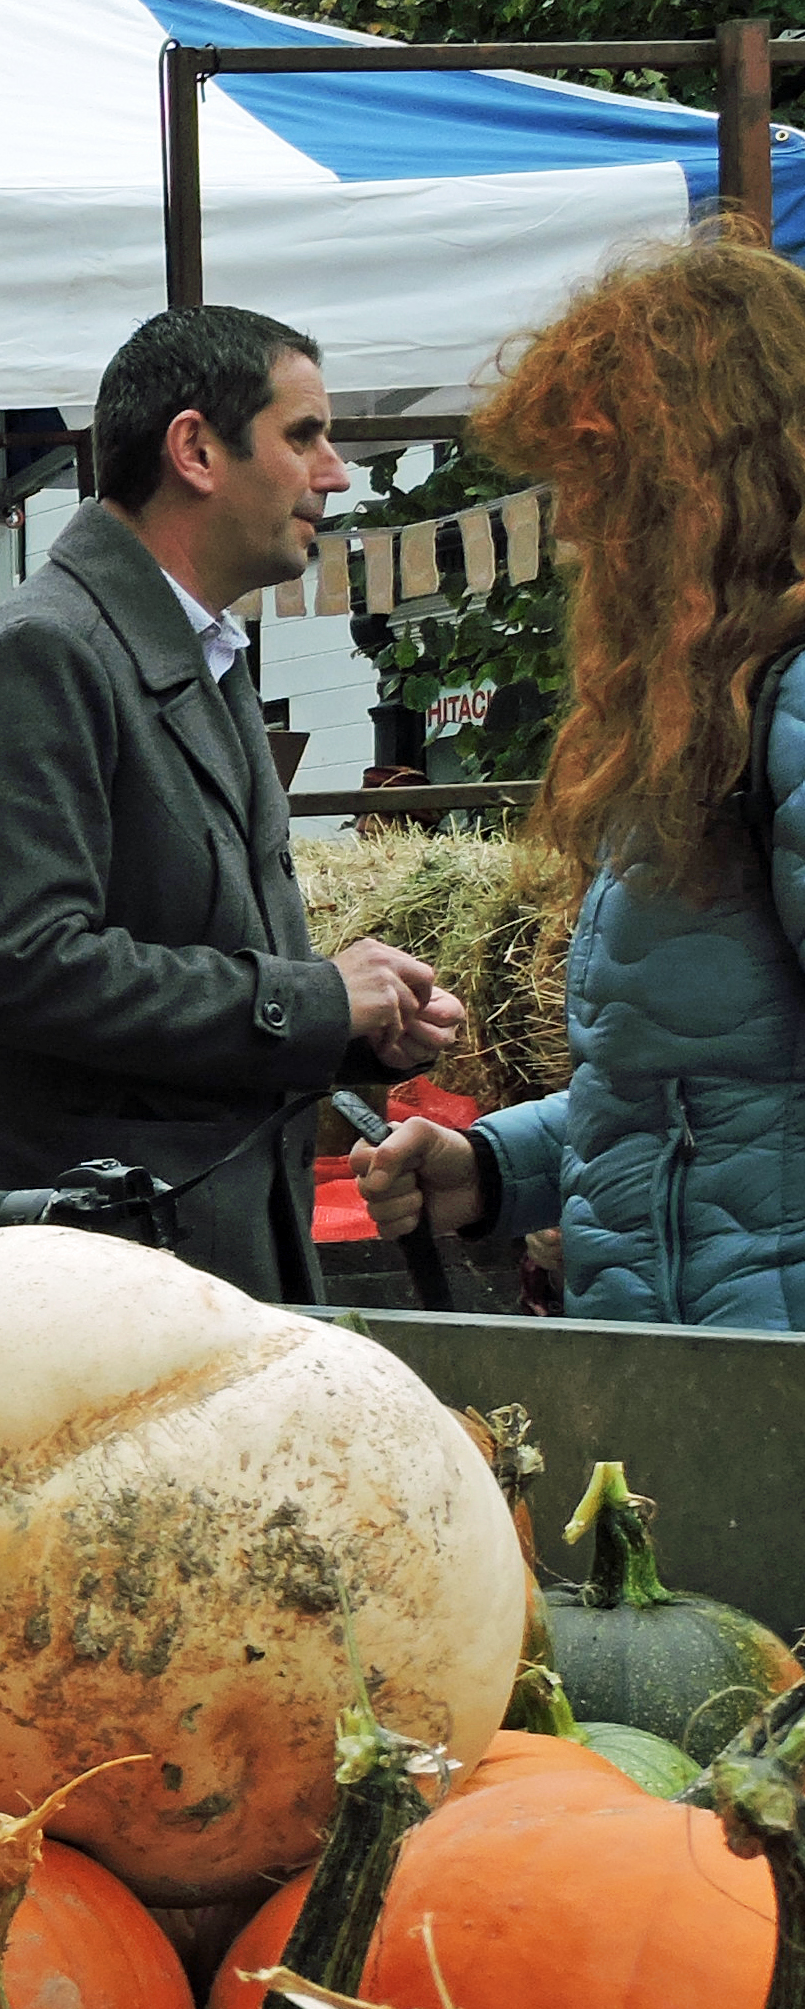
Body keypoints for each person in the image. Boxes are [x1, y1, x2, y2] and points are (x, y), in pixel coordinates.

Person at [0, 305, 459, 1297]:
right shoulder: (38, 657)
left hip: (181, 1265)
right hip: (90, 1283)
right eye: (302, 436)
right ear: (195, 450)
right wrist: (316, 996)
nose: (333, 473)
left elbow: (192, 979)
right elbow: (24, 967)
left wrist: (346, 1033)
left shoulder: (199, 656)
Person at [357, 230, 805, 1323]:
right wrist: (494, 1168)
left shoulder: (790, 705)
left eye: (601, 476)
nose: (576, 523)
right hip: (696, 1366)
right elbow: (691, 1103)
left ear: (699, 482)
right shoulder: (704, 712)